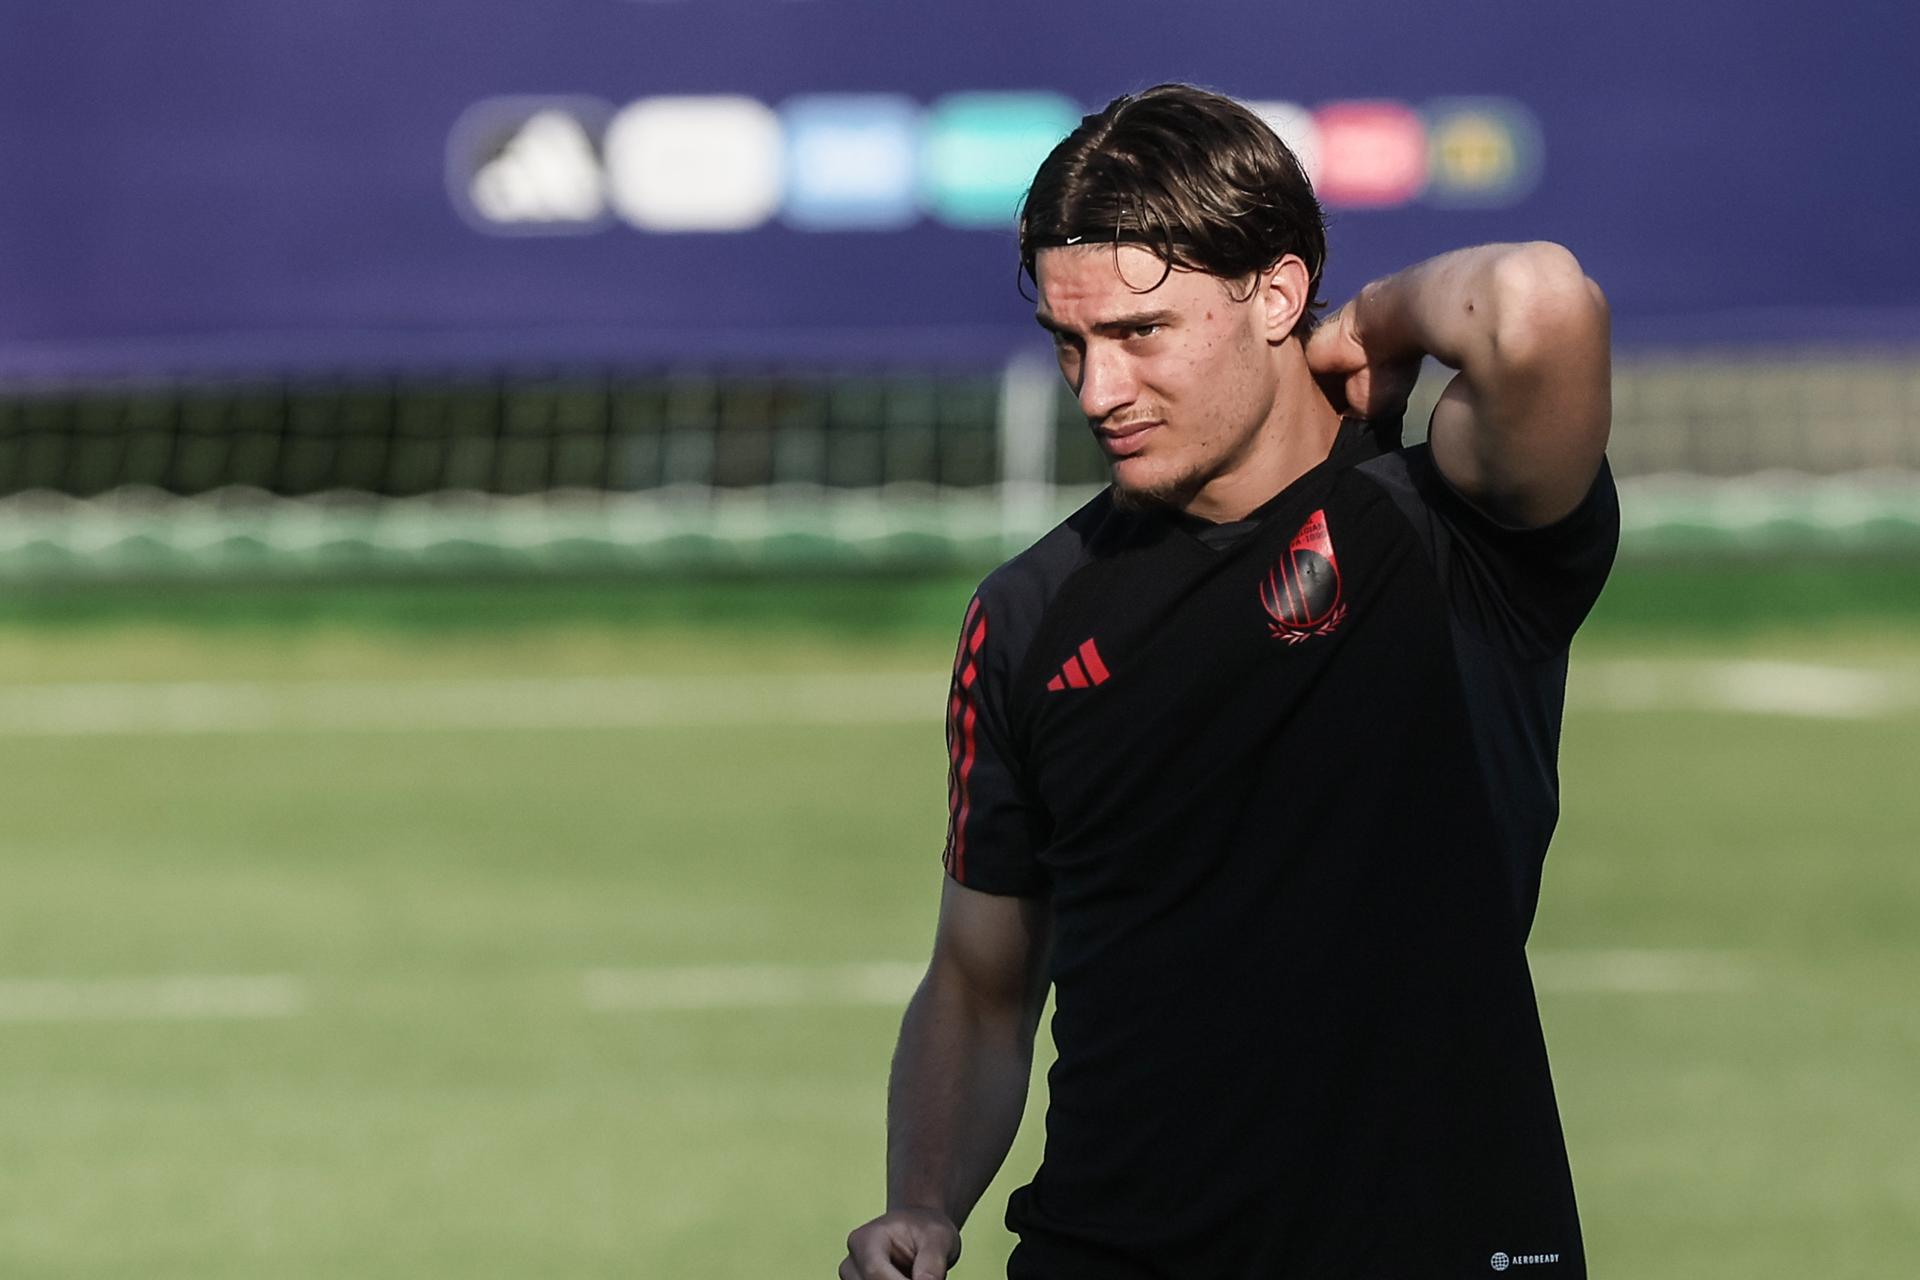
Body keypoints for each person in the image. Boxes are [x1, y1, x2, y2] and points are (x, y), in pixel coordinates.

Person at [840, 82, 1615, 1280]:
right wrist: (925, 1199)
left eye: (1141, 333)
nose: (1098, 392)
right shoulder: (1029, 614)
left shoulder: (1447, 526)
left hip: (1443, 1243)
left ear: (1277, 293)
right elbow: (981, 983)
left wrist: (1374, 321)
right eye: (1070, 343)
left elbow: (1537, 306)